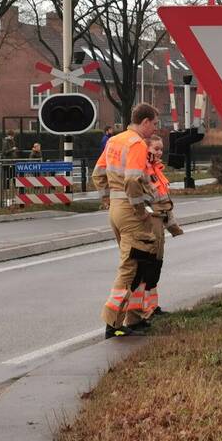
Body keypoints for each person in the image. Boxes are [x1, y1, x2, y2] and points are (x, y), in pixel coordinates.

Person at [92, 103, 160, 338]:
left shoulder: (114, 141)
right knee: (131, 266)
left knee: (137, 263)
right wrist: (140, 209)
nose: (154, 130)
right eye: (154, 124)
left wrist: (108, 200)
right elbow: (133, 181)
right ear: (145, 122)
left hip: (116, 210)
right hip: (131, 213)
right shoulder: (136, 144)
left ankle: (134, 318)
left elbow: (97, 174)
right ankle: (113, 322)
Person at [142, 134, 184, 317]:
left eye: (161, 149)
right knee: (149, 266)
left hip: (160, 221)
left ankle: (153, 306)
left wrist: (172, 225)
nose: (159, 152)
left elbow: (164, 200)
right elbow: (145, 200)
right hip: (151, 223)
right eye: (155, 149)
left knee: (156, 265)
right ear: (146, 149)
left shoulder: (156, 170)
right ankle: (145, 308)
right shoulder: (144, 170)